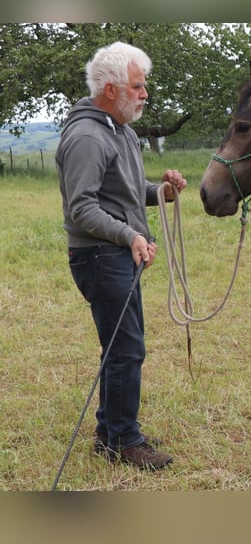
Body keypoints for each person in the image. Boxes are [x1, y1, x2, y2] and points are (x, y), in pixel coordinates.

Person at [56, 41, 187, 470]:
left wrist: (163, 192)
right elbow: (83, 208)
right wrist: (130, 235)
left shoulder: (122, 132)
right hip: (100, 257)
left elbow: (128, 194)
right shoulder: (88, 136)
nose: (145, 93)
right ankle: (125, 442)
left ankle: (110, 434)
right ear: (111, 89)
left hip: (116, 255)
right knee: (126, 349)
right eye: (137, 85)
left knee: (122, 349)